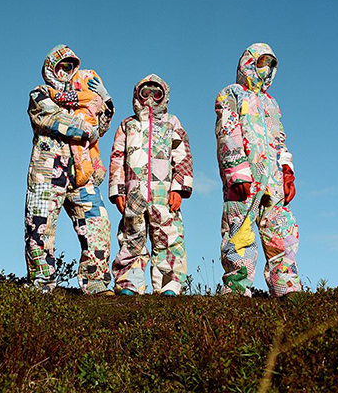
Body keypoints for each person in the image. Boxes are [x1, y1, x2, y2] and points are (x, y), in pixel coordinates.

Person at [25, 44, 114, 294]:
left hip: (81, 172)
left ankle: (95, 282)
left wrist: (105, 101)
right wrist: (88, 126)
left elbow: (100, 127)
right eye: (60, 66)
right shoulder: (40, 94)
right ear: (50, 69)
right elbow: (54, 120)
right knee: (40, 226)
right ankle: (42, 284)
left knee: (98, 223)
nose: (65, 71)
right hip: (47, 172)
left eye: (69, 66)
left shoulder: (84, 97)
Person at [214, 43, 300, 296]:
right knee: (239, 230)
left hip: (272, 178)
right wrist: (236, 172)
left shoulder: (272, 104)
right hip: (245, 176)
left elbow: (279, 138)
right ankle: (237, 288)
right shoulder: (232, 94)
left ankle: (287, 287)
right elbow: (227, 133)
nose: (268, 70)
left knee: (281, 229)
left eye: (272, 65)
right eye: (263, 62)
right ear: (249, 63)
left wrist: (287, 171)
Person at [108, 75, 193, 295]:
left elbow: (182, 156)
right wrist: (118, 191)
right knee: (131, 237)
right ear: (137, 95)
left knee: (168, 236)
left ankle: (169, 285)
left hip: (164, 194)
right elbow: (117, 157)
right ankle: (129, 283)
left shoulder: (172, 123)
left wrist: (178, 188)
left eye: (156, 94)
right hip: (133, 192)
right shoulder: (128, 125)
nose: (151, 99)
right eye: (145, 93)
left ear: (164, 96)